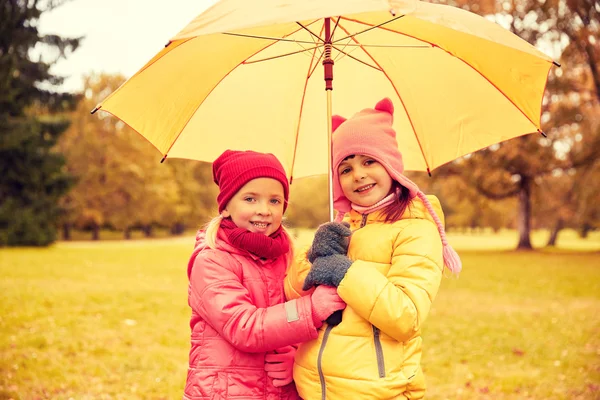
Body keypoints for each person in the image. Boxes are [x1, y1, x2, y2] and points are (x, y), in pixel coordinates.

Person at [284, 98, 462, 400]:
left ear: (390, 164)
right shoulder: (340, 228)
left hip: (376, 391)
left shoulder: (416, 229)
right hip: (314, 389)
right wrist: (314, 254)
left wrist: (345, 272)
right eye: (345, 168)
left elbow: (406, 318)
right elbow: (291, 296)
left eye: (369, 161)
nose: (358, 175)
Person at [184, 150, 346, 400]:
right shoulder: (211, 259)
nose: (264, 210)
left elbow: (305, 325)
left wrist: (297, 356)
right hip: (228, 391)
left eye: (274, 201)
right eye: (250, 199)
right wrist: (311, 309)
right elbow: (243, 326)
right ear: (226, 206)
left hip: (281, 390)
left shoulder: (289, 256)